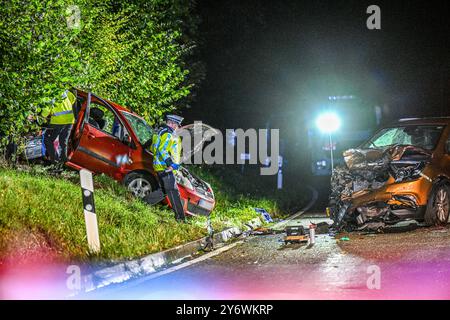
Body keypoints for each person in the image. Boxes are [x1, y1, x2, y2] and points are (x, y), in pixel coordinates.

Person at [150, 114, 185, 222]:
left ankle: (142, 203)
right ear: (173, 124)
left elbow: (153, 147)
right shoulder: (169, 134)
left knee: (164, 191)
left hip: (160, 165)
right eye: (177, 125)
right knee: (174, 191)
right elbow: (162, 149)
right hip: (166, 167)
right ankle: (180, 219)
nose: (178, 127)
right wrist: (171, 163)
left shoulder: (160, 132)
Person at [41, 89, 76, 167]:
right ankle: (63, 162)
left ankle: (55, 161)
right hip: (70, 120)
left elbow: (45, 113)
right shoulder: (65, 91)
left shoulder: (49, 95)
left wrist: (42, 116)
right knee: (63, 141)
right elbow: (73, 99)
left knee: (48, 140)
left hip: (58, 121)